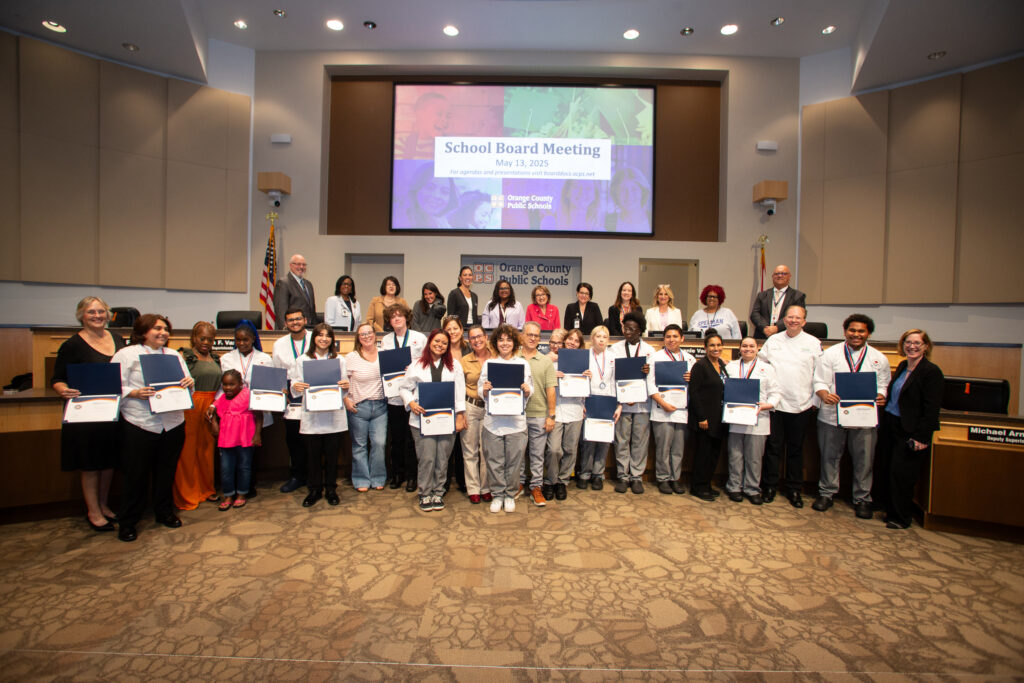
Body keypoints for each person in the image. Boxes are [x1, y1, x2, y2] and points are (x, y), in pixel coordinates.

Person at [111, 314, 195, 542]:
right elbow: (113, 385)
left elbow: (187, 385)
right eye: (157, 328)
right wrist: (134, 392)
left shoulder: (174, 355)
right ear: (143, 331)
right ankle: (128, 522)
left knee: (166, 472)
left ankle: (164, 512)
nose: (163, 333)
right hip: (140, 423)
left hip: (172, 424)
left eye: (166, 329)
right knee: (135, 475)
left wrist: (189, 384)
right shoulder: (126, 355)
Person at [51, 296, 127, 532]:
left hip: (112, 411)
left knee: (108, 463)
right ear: (81, 315)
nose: (97, 316)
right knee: (91, 464)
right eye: (91, 312)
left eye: (101, 312)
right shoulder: (72, 345)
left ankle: (104, 506)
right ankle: (93, 511)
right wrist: (63, 390)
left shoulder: (116, 339)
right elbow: (57, 379)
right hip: (86, 415)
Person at [812, 314, 891, 518]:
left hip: (864, 418)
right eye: (852, 330)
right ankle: (826, 493)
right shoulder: (831, 355)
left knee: (864, 461)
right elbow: (819, 381)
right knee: (829, 457)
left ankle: (862, 499)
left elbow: (883, 385)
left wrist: (881, 395)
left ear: (868, 334)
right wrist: (825, 395)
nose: (856, 335)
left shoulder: (878, 358)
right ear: (845, 331)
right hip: (832, 416)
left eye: (861, 331)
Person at [876, 329, 943, 530]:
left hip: (911, 430)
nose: (911, 346)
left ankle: (901, 517)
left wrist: (922, 436)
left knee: (902, 474)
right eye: (908, 342)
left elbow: (932, 409)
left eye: (917, 343)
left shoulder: (931, 372)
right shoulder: (904, 366)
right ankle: (890, 510)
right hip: (891, 424)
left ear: (926, 346)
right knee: (887, 468)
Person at [758, 305, 822, 507]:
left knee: (796, 449)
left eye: (798, 318)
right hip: (775, 405)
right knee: (773, 448)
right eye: (790, 317)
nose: (793, 320)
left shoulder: (813, 343)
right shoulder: (774, 340)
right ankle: (769, 486)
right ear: (784, 320)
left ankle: (794, 489)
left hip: (801, 405)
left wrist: (815, 401)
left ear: (804, 321)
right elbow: (761, 367)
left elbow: (820, 375)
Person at [402, 329, 468, 512]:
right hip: (422, 420)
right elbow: (404, 388)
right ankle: (425, 493)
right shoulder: (416, 365)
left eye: (444, 343)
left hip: (447, 420)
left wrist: (460, 416)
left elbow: (459, 393)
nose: (440, 345)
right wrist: (411, 403)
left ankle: (438, 492)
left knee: (442, 458)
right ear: (430, 342)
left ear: (448, 346)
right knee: (427, 458)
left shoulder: (454, 365)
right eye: (437, 341)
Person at [289, 323, 349, 507]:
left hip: (333, 415)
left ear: (332, 339)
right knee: (313, 456)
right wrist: (296, 386)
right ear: (313, 338)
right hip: (312, 417)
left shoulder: (339, 360)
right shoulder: (302, 360)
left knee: (332, 455)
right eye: (320, 335)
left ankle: (331, 489)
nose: (324, 338)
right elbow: (295, 385)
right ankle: (314, 490)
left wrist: (345, 386)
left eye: (327, 335)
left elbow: (345, 388)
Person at [480, 324, 534, 513]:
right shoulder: (489, 364)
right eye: (501, 340)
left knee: (514, 461)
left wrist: (527, 390)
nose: (505, 343)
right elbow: (481, 390)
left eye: (508, 340)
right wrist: (484, 390)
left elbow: (530, 388)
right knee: (494, 460)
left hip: (516, 424)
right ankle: (497, 495)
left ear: (514, 343)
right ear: (495, 343)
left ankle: (510, 494)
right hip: (493, 423)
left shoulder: (523, 364)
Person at [724, 337, 779, 504]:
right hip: (735, 418)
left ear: (758, 349)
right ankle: (734, 487)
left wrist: (768, 405)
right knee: (735, 455)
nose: (748, 349)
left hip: (758, 418)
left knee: (754, 457)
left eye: (751, 346)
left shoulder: (767, 369)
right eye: (744, 346)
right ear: (739, 348)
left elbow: (775, 392)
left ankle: (752, 488)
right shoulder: (731, 367)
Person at [173, 321, 221, 510]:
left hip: (210, 407)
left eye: (210, 339)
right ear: (194, 337)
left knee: (206, 451)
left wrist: (215, 405)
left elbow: (219, 386)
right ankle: (188, 493)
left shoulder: (216, 359)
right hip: (190, 407)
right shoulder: (184, 355)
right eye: (202, 338)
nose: (206, 343)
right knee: (187, 451)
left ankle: (206, 489)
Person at [380, 303, 428, 491]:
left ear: (407, 318)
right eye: (393, 317)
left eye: (400, 316)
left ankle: (412, 476)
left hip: (413, 397)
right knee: (397, 439)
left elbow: (427, 362)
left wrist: (414, 367)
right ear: (389, 321)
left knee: (412, 439)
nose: (397, 319)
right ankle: (397, 474)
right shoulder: (386, 341)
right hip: (394, 397)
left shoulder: (419, 338)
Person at [647, 324, 697, 495]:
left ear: (682, 339)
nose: (671, 339)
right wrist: (663, 403)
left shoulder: (690, 359)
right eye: (668, 336)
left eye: (675, 336)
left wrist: (693, 379)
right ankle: (663, 478)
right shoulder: (656, 357)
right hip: (662, 409)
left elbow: (696, 387)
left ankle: (675, 478)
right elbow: (650, 383)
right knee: (663, 447)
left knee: (678, 448)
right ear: (664, 339)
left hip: (682, 410)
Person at [611, 312, 654, 494]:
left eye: (631, 329)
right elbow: (612, 375)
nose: (627, 332)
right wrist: (622, 398)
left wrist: (647, 370)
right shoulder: (615, 349)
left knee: (639, 441)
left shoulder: (650, 351)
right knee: (621, 440)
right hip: (623, 403)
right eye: (625, 328)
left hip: (642, 404)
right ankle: (623, 475)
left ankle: (636, 476)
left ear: (640, 330)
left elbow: (652, 379)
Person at [344, 323, 388, 492]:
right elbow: (342, 381)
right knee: (359, 446)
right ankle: (361, 479)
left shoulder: (384, 354)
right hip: (358, 408)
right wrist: (345, 400)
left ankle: (377, 477)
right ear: (358, 338)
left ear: (375, 335)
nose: (366, 336)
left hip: (380, 407)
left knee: (379, 443)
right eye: (362, 334)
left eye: (369, 333)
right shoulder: (351, 357)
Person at [272, 308, 312, 493]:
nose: (295, 322)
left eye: (298, 319)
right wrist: (283, 395)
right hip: (291, 395)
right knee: (293, 438)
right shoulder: (279, 344)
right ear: (285, 323)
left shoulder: (315, 338)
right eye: (290, 320)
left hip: (313, 391)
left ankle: (313, 476)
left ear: (305, 319)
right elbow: (278, 372)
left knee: (313, 439)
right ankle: (297, 476)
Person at [577, 325, 621, 489]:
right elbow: (578, 380)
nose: (601, 339)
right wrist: (580, 403)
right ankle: (585, 473)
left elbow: (616, 382)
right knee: (588, 439)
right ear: (592, 338)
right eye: (598, 336)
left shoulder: (612, 357)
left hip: (608, 401)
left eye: (605, 337)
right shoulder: (584, 356)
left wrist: (619, 405)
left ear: (608, 340)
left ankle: (598, 474)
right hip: (589, 400)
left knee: (604, 440)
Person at [210, 370, 261, 510]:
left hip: (245, 436)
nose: (228, 388)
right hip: (226, 438)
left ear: (240, 384)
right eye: (225, 385)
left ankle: (241, 494)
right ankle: (228, 495)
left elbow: (259, 416)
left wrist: (257, 434)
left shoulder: (248, 395)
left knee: (244, 467)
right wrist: (214, 423)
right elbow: (212, 411)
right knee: (226, 468)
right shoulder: (222, 398)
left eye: (232, 384)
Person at [544, 328, 586, 500]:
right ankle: (550, 481)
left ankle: (562, 481)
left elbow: (586, 386)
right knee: (554, 449)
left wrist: (587, 377)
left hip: (575, 409)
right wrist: (552, 376)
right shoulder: (549, 360)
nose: (571, 343)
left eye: (576, 341)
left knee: (570, 449)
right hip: (555, 410)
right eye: (569, 340)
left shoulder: (583, 360)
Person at [520, 321, 557, 506]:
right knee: (517, 453)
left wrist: (551, 416)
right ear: (522, 336)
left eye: (536, 335)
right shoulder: (513, 358)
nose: (533, 338)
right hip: (516, 415)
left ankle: (536, 486)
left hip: (539, 414)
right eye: (529, 334)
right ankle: (518, 483)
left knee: (537, 455)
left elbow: (551, 389)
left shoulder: (545, 361)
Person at [687, 332, 727, 501]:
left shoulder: (722, 365)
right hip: (704, 419)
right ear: (705, 347)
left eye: (718, 345)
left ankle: (707, 484)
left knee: (713, 454)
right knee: (703, 454)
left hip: (719, 419)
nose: (715, 348)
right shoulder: (700, 366)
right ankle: (698, 487)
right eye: (712, 345)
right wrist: (701, 417)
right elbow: (694, 393)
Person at [460, 324, 494, 504]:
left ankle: (486, 487)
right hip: (470, 407)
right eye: (472, 338)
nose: (477, 340)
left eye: (479, 336)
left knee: (486, 450)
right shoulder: (464, 361)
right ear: (468, 340)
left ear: (486, 337)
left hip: (490, 408)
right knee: (470, 450)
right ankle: (473, 488)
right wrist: (460, 413)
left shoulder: (496, 356)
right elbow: (459, 388)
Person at [750, 264, 806, 339]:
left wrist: (777, 328)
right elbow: (754, 314)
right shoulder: (762, 295)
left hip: (786, 337)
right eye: (777, 274)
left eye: (783, 273)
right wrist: (765, 328)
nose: (780, 276)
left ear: (789, 276)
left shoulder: (798, 296)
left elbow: (797, 316)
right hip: (762, 335)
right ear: (773, 276)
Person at [402, 163, 459, 228]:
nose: (436, 195)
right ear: (417, 187)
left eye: (445, 192)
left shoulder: (443, 224)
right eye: (430, 188)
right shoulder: (401, 220)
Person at [274, 254, 316, 329]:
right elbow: (281, 311)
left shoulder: (308, 284)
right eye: (298, 264)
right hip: (292, 330)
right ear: (290, 265)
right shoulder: (283, 283)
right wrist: (285, 330)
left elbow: (312, 310)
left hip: (308, 329)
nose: (301, 267)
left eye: (304, 265)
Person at [604, 167, 651, 233]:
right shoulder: (606, 222)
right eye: (623, 190)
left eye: (634, 189)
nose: (629, 195)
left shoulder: (654, 220)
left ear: (643, 191)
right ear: (616, 194)